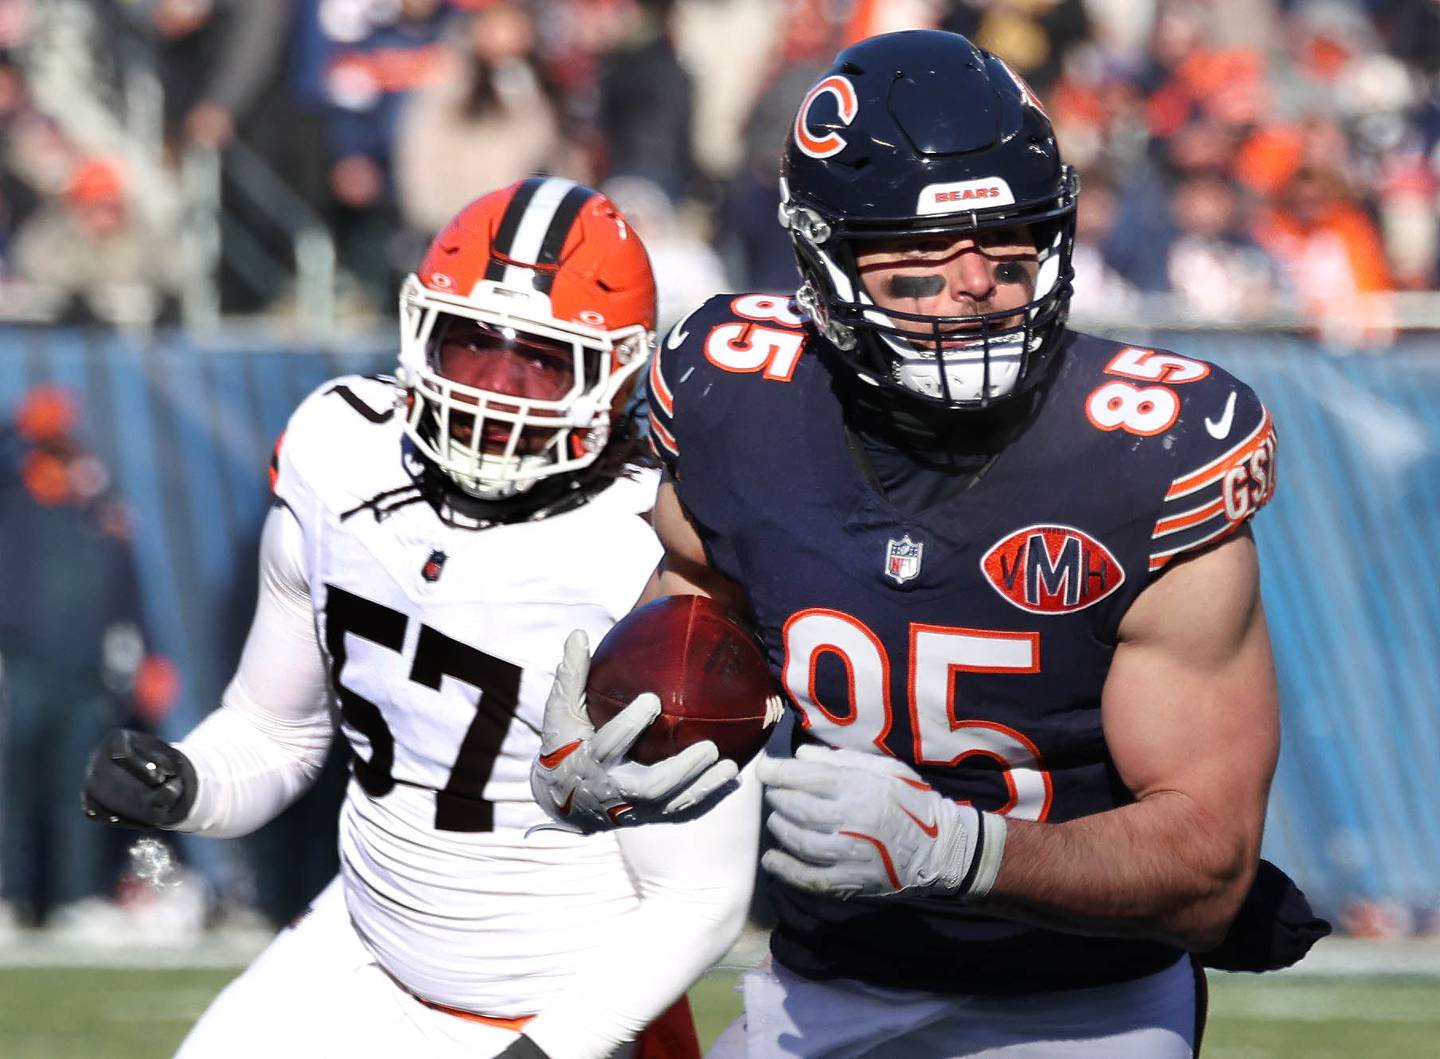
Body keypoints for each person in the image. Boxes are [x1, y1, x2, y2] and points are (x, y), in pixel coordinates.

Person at [530, 31, 1327, 1058]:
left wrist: (959, 851)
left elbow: (1210, 869)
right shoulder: (741, 396)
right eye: (915, 270)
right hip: (830, 977)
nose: (973, 288)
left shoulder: (1149, 454)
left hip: (1086, 1003)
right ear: (821, 262)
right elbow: (699, 594)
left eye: (1007, 249)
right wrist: (618, 730)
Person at [80, 177, 760, 1059]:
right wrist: (190, 782)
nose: (496, 391)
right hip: (357, 951)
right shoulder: (340, 448)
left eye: (539, 360)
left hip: (550, 1004)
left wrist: (551, 1047)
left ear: (617, 373)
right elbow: (275, 733)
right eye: (472, 346)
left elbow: (697, 897)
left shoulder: (650, 554)